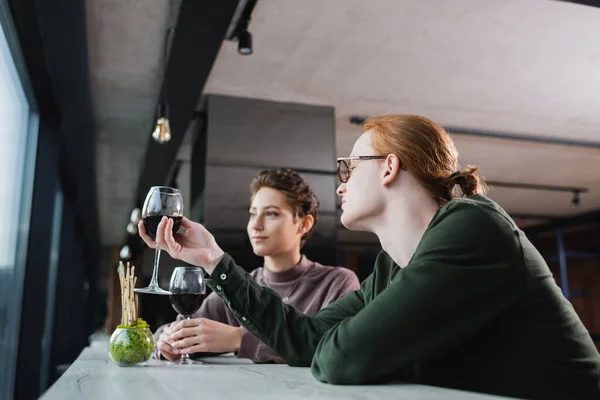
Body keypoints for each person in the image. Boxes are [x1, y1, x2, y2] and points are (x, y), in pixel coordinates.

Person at [140, 114, 600, 399]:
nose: (339, 183)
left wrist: (337, 346)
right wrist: (214, 260)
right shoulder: (389, 266)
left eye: (348, 167)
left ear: (390, 166)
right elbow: (304, 341)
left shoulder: (473, 225)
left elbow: (340, 359)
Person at [151, 168, 360, 363]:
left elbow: (337, 348)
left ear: (304, 224)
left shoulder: (336, 282)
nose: (256, 225)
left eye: (271, 213)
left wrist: (239, 339)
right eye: (252, 214)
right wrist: (167, 341)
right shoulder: (238, 287)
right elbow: (173, 329)